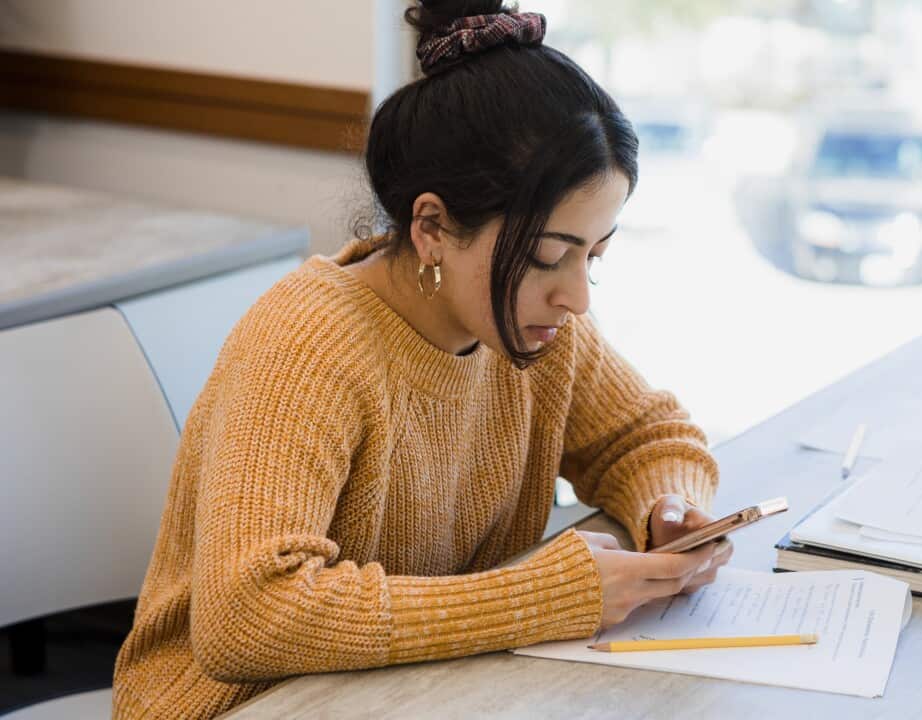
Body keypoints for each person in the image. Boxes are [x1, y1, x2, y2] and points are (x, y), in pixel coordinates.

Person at [110, 3, 731, 718]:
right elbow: (250, 616)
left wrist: (672, 508)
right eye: (548, 257)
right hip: (245, 706)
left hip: (418, 690)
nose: (578, 297)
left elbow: (645, 439)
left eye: (596, 254)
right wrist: (545, 596)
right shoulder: (307, 346)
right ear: (432, 226)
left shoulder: (531, 325)